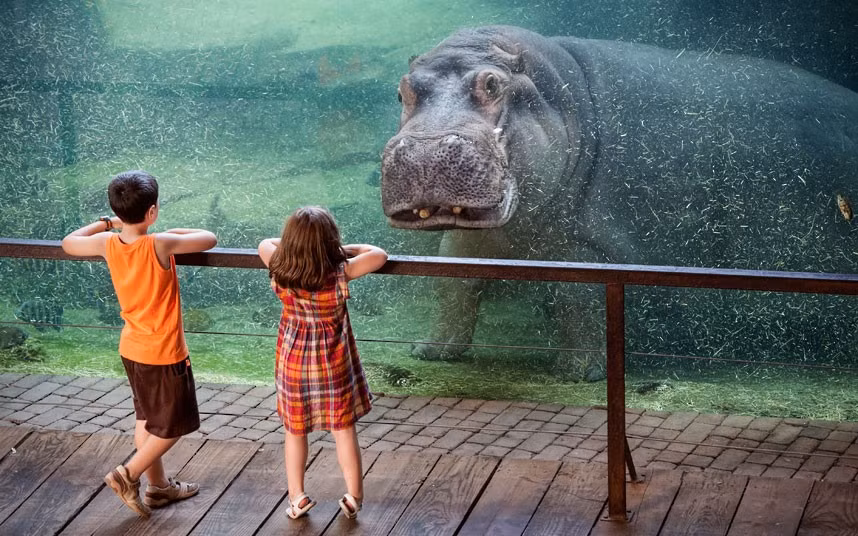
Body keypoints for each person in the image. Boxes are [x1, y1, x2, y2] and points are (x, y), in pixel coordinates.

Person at [61, 170, 217, 518]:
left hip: (132, 348)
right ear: (152, 212)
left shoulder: (107, 244)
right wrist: (170, 232)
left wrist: (106, 224)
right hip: (164, 353)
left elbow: (69, 243)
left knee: (146, 420)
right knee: (175, 424)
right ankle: (128, 474)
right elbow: (209, 237)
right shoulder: (160, 243)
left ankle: (158, 488)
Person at [258, 206, 387, 520]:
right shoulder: (339, 273)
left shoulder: (279, 264)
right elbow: (379, 254)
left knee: (295, 432)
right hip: (332, 365)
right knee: (343, 431)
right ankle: (354, 497)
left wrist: (295, 245)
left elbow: (265, 242)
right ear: (330, 242)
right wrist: (342, 251)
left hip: (292, 365)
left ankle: (297, 497)